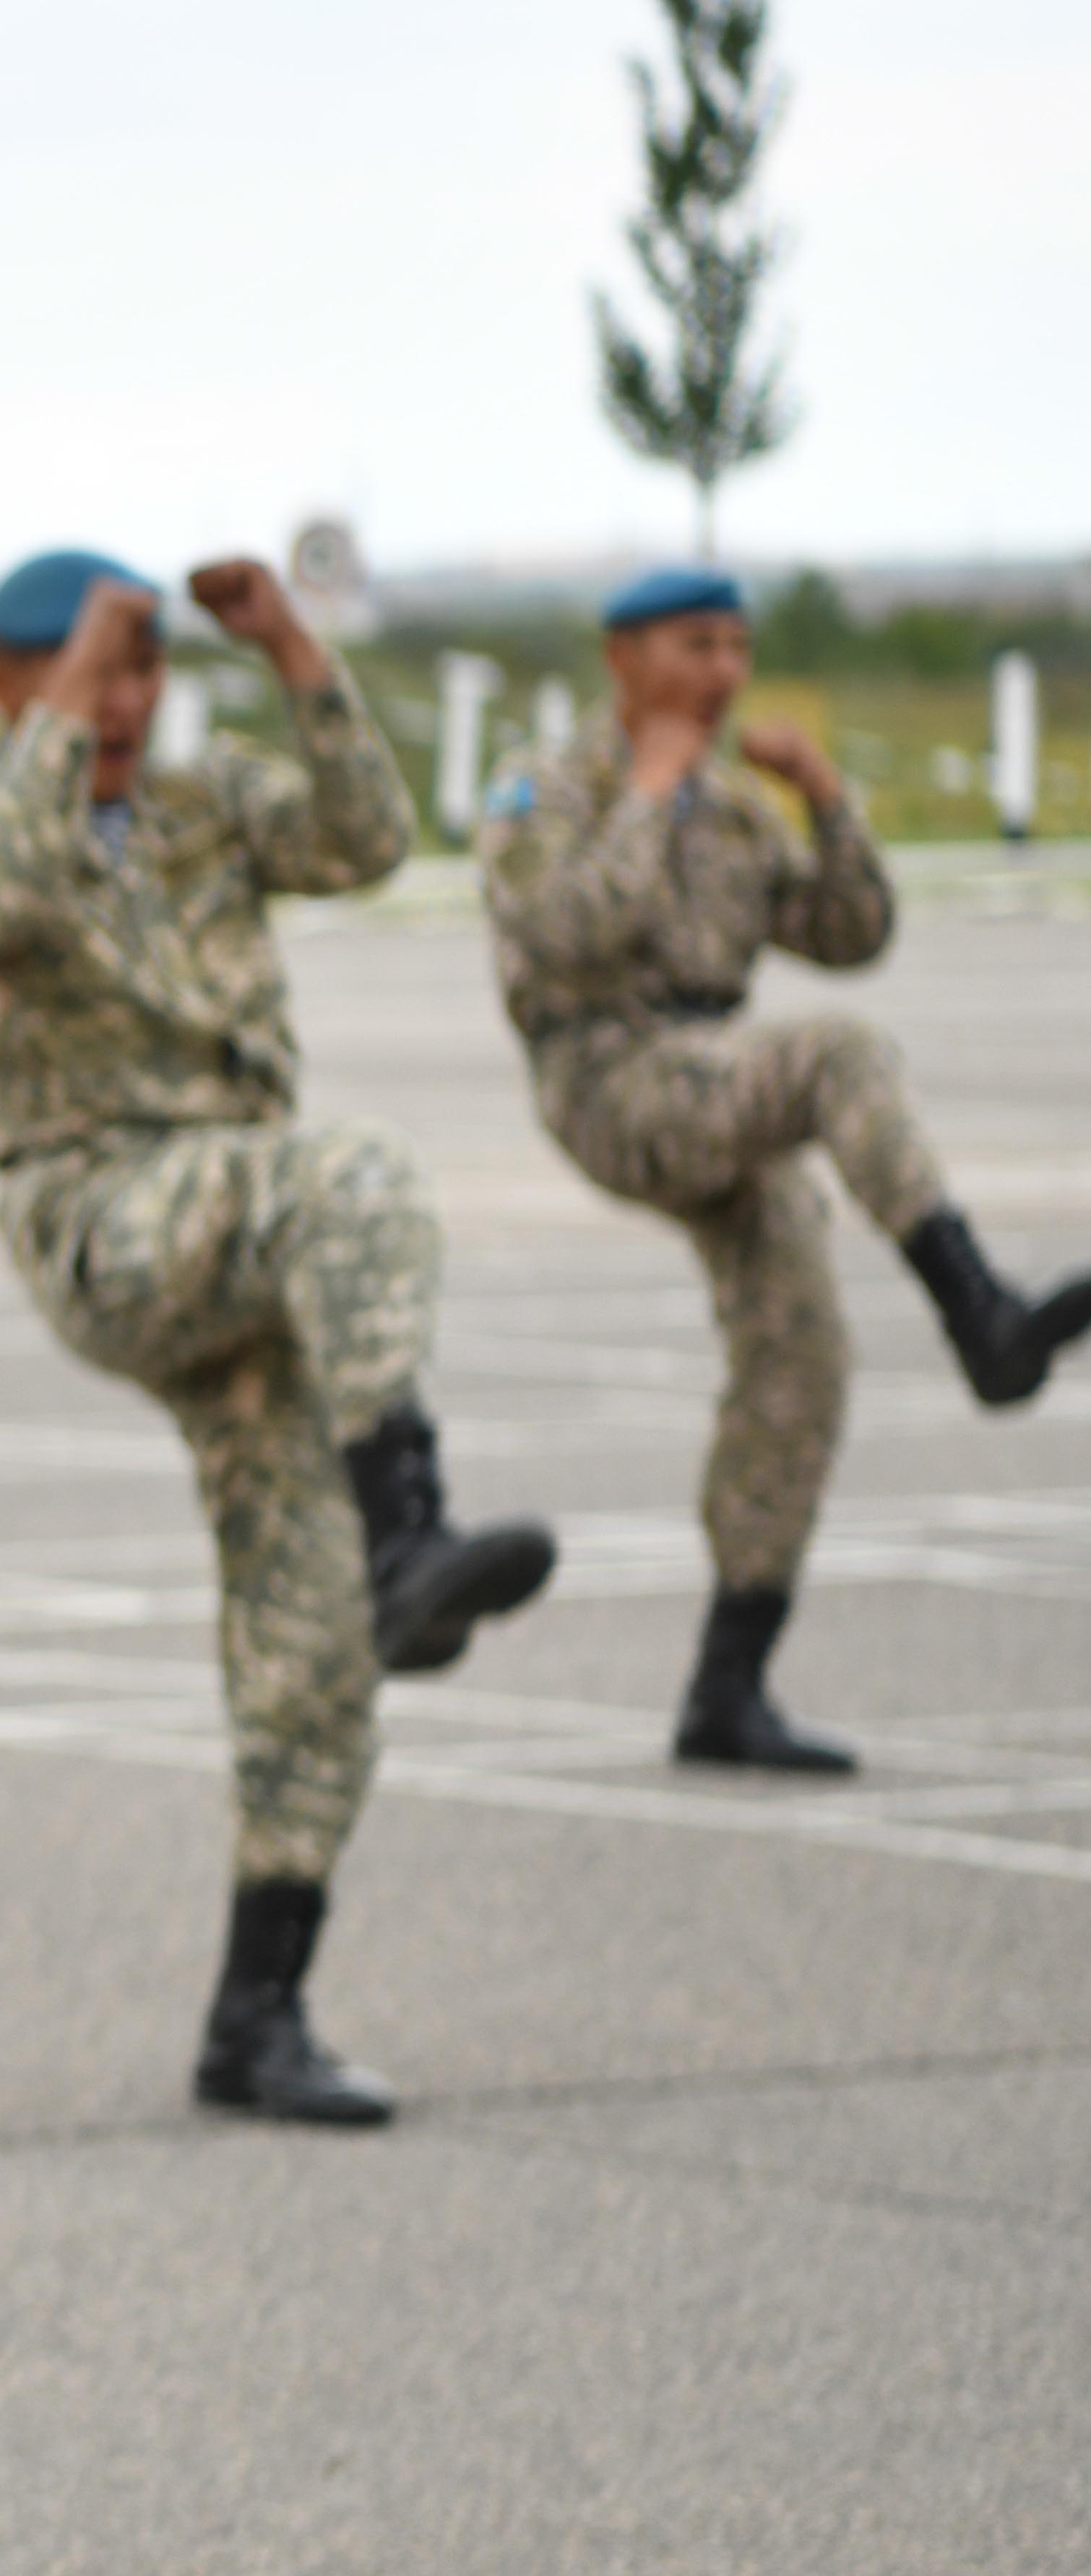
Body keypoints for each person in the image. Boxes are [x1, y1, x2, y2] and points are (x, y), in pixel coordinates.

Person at [0, 548, 553, 2127]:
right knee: (359, 1171)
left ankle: (257, 2017)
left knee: (308, 1633)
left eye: (139, 672)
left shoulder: (206, 808)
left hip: (242, 1250)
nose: (122, 703)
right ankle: (411, 1527)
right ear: (9, 685)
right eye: (88, 672)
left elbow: (366, 839)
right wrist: (67, 703)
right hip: (104, 1216)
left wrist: (291, 651)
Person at [483, 563, 1090, 1773]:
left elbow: (849, 934)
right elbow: (559, 936)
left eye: (734, 647)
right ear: (622, 657)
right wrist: (648, 793)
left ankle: (725, 1687)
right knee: (836, 1056)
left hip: (718, 1087)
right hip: (609, 1078)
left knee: (798, 1357)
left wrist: (823, 801)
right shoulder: (552, 788)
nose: (721, 672)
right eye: (693, 646)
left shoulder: (735, 803)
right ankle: (979, 1314)